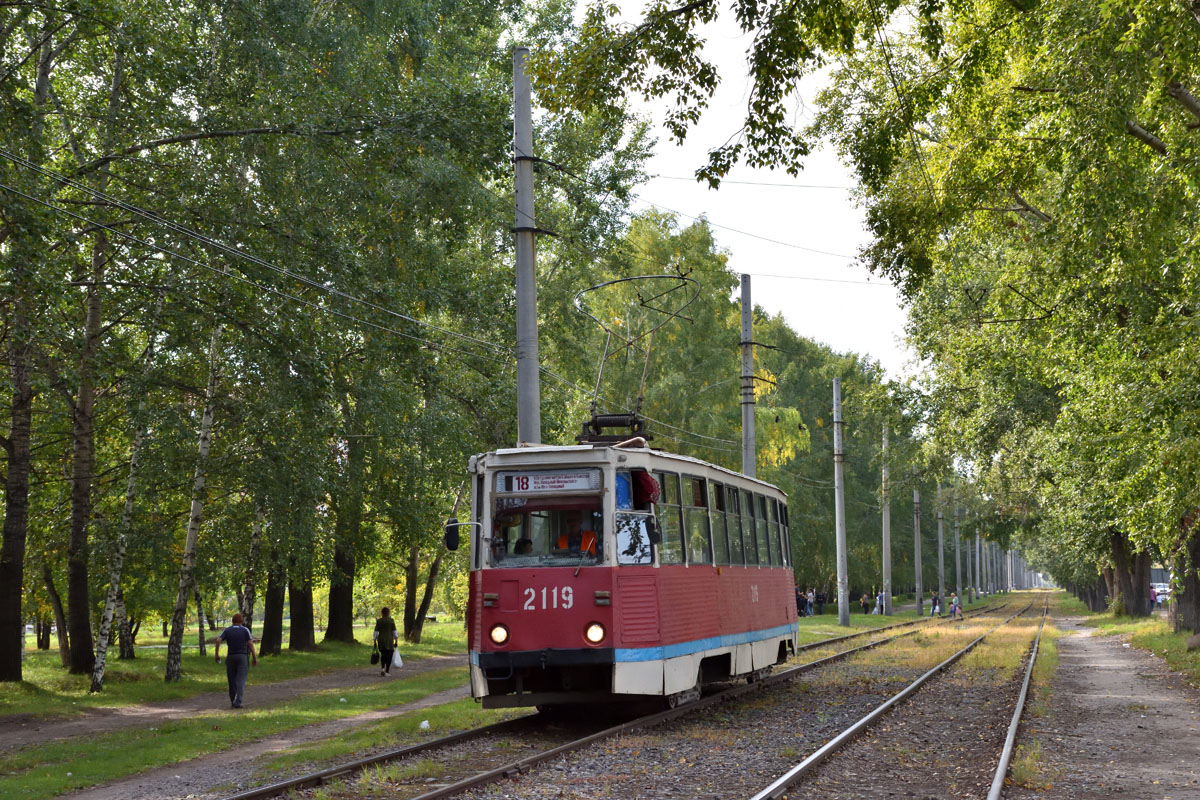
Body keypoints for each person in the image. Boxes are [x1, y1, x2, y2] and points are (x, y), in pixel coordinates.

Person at [215, 613, 257, 709]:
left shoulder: (227, 630)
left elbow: (218, 641)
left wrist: (216, 655)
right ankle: (237, 702)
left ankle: (232, 700)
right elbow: (250, 643)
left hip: (231, 657)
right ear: (241, 621)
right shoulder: (245, 630)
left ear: (232, 621)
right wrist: (254, 657)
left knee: (231, 680)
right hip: (242, 657)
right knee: (240, 680)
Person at [374, 607, 399, 676]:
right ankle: (387, 671)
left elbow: (376, 632)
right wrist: (396, 641)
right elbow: (394, 632)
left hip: (381, 639)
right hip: (389, 640)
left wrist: (374, 641)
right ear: (388, 613)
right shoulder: (391, 621)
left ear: (382, 613)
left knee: (383, 654)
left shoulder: (379, 621)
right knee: (389, 655)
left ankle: (382, 668)